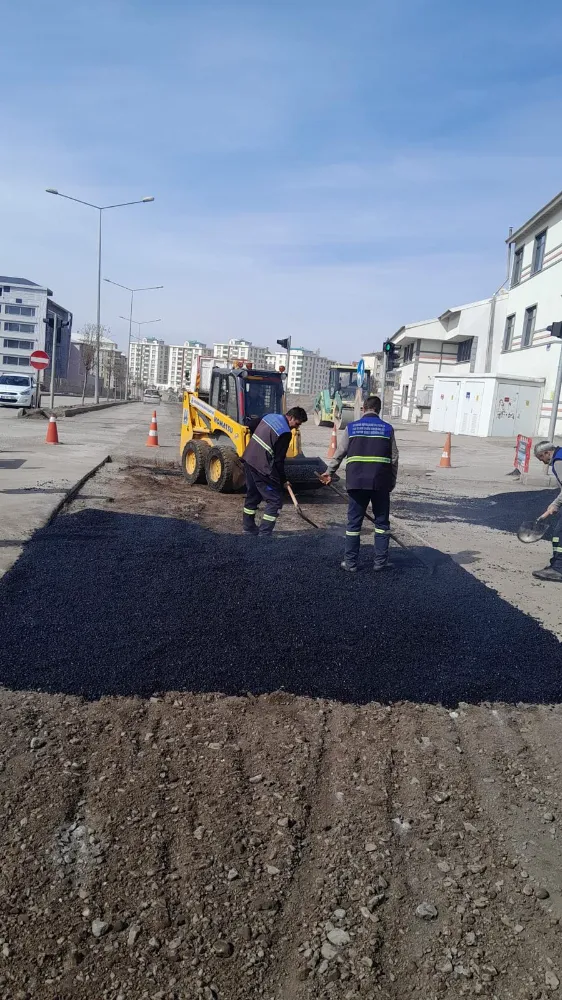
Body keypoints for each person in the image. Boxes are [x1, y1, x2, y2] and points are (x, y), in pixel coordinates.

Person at [319, 395, 399, 572]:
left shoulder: (352, 427)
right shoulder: (387, 429)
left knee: (354, 524)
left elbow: (340, 452)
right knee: (382, 524)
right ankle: (380, 562)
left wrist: (329, 472)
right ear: (378, 410)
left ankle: (350, 563)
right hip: (380, 483)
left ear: (363, 408)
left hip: (356, 482)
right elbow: (394, 458)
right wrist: (391, 482)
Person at [242, 406, 308, 535]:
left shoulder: (269, 417)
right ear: (291, 417)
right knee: (274, 500)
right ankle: (265, 534)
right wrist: (283, 480)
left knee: (253, 494)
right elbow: (279, 461)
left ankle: (248, 529)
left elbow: (250, 425)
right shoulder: (285, 433)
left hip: (248, 459)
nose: (296, 427)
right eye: (297, 424)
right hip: (261, 466)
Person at [532, 440, 562, 582]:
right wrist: (555, 504)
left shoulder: (558, 461)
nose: (542, 461)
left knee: (559, 534)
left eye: (541, 458)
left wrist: (555, 504)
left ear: (546, 453)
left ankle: (558, 569)